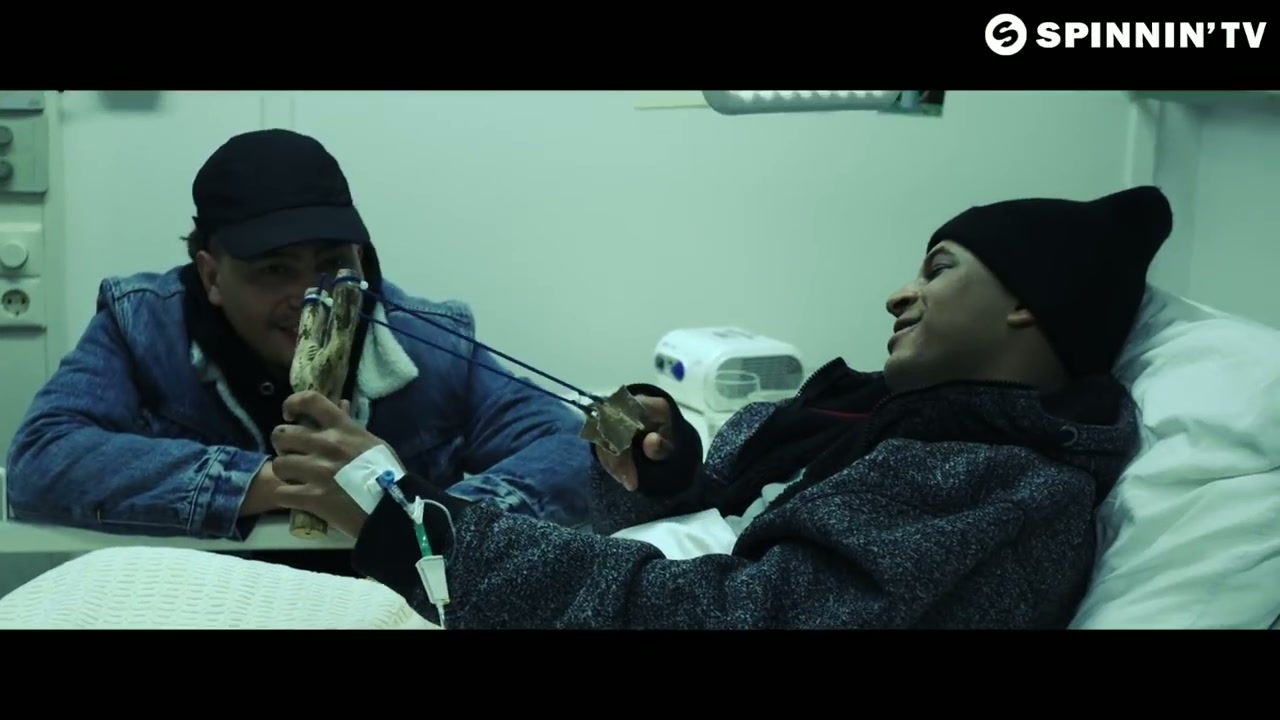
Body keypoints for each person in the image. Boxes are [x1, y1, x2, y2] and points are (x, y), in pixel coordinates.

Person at [261, 186, 1171, 627]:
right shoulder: (866, 421)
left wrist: (416, 523)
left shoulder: (994, 478)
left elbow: (732, 616)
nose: (900, 294)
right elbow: (735, 532)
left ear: (1029, 301)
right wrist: (663, 472)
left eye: (938, 270)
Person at [4, 129, 592, 574]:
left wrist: (406, 511)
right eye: (274, 270)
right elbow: (41, 460)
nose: (313, 298)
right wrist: (274, 482)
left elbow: (572, 450)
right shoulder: (142, 325)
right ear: (211, 275)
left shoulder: (427, 340)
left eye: (333, 263)